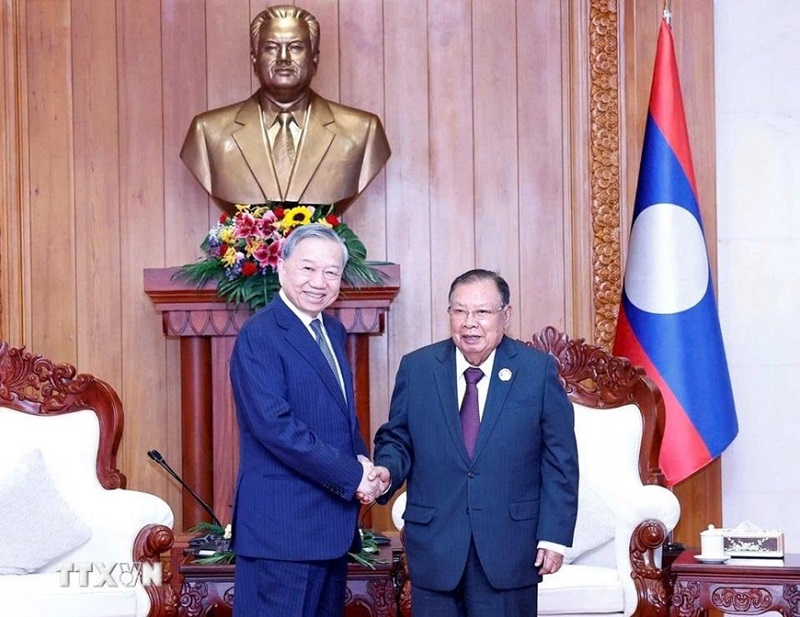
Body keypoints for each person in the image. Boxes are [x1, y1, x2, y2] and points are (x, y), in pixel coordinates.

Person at [371, 269, 579, 616]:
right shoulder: (418, 368)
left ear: (505, 315)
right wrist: (387, 471)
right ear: (449, 314)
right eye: (460, 311)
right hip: (435, 546)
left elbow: (560, 461)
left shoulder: (536, 371)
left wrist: (553, 536)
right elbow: (398, 438)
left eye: (482, 312)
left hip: (510, 548)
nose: (470, 323)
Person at [229, 223, 388, 617]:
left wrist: (363, 464)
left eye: (331, 272)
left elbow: (340, 416)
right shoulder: (260, 334)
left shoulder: (332, 330)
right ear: (282, 268)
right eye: (308, 268)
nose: (320, 282)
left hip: (329, 530)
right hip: (281, 535)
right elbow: (275, 427)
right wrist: (352, 475)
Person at [180, 5, 390, 215]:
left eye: (296, 47)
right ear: (254, 59)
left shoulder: (363, 131)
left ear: (314, 59)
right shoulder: (207, 132)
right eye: (271, 48)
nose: (283, 57)